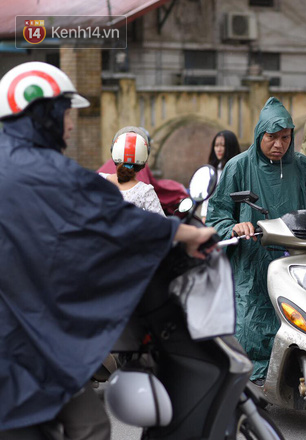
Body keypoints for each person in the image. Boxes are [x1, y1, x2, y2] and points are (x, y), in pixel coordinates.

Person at [0, 62, 216, 438]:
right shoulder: (51, 173)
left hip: (28, 333)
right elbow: (117, 218)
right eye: (65, 112)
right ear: (41, 112)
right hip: (27, 342)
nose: (71, 123)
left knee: (90, 424)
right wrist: (188, 235)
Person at [205, 97, 306, 383]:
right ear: (260, 134)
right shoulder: (238, 167)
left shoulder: (301, 165)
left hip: (296, 258)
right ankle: (254, 381)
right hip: (252, 261)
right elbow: (218, 214)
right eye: (272, 137)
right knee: (251, 322)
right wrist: (235, 227)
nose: (279, 144)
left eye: (285, 137)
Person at [99, 126, 165, 215]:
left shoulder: (99, 180)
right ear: (145, 158)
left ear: (113, 151)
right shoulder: (145, 192)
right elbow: (162, 225)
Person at [201, 130, 241, 222]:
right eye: (216, 145)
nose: (219, 149)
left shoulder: (238, 169)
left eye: (223, 145)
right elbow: (207, 195)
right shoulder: (212, 170)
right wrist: (204, 215)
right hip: (214, 216)